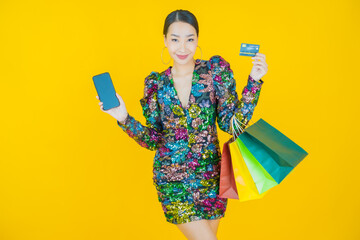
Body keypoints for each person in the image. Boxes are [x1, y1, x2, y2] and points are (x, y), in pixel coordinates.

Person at [96, 9, 268, 240]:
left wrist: (254, 83)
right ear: (165, 41)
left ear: (197, 40)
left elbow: (232, 125)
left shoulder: (215, 73)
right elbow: (154, 140)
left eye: (190, 39)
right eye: (175, 40)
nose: (182, 47)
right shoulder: (156, 84)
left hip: (212, 179)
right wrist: (123, 118)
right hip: (172, 180)